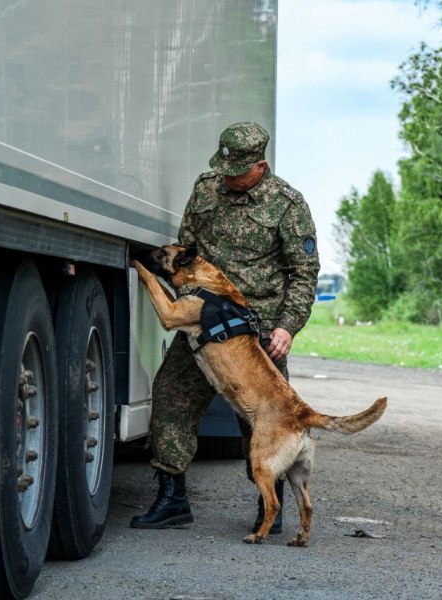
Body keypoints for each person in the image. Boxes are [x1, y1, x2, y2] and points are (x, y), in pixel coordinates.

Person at [130, 122, 320, 533]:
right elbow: (185, 249)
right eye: (224, 166)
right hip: (204, 319)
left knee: (268, 418)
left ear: (261, 164)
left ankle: (270, 506)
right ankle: (171, 497)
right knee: (171, 395)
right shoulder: (207, 187)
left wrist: (287, 327)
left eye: (237, 169)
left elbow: (304, 274)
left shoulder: (287, 204)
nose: (228, 176)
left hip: (256, 331)